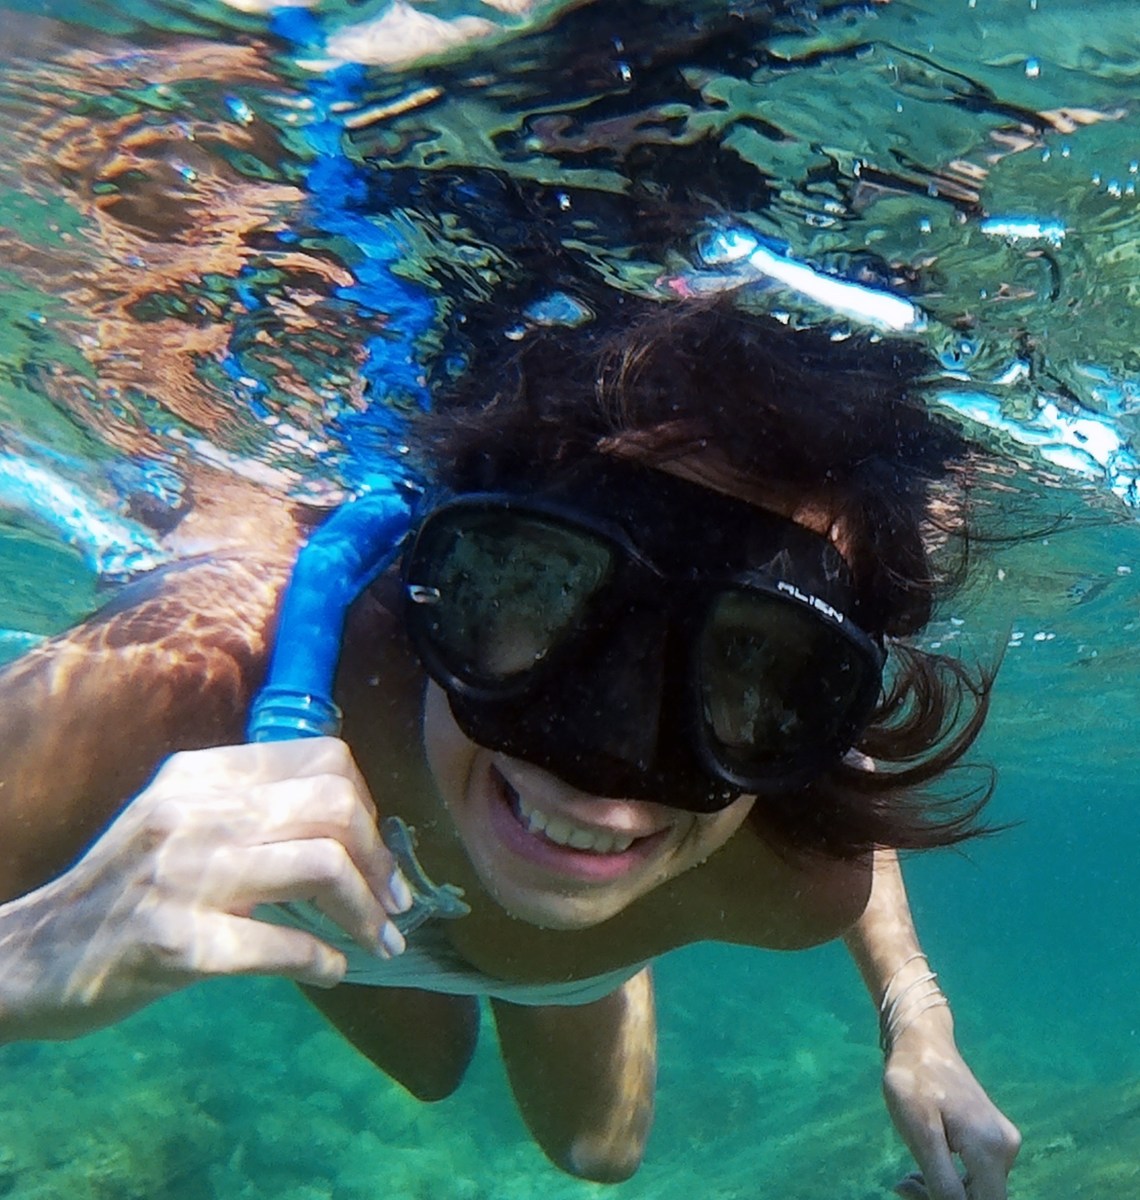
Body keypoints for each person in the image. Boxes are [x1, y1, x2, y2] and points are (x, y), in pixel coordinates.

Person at [0, 300, 1020, 1199]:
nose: (606, 778)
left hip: (553, 937)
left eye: (749, 660)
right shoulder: (189, 678)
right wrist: (29, 953)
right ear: (433, 574)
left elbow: (837, 791)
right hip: (346, 903)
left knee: (597, 1152)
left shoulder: (799, 876)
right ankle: (330, 874)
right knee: (429, 1070)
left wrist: (917, 1017)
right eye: (538, 587)